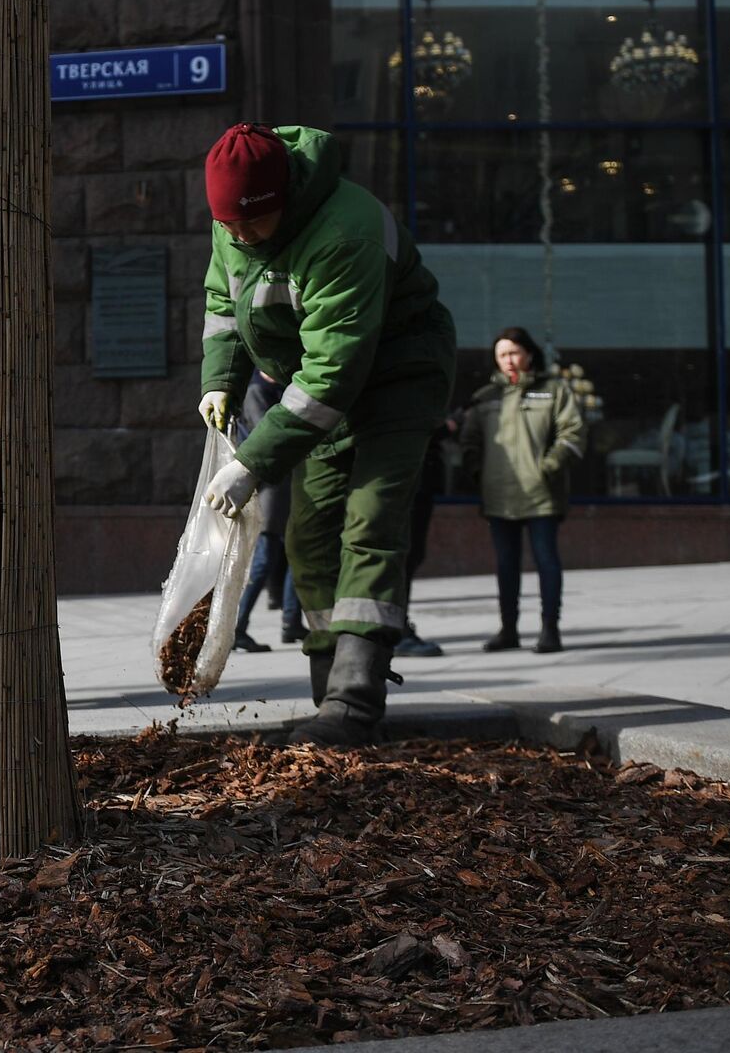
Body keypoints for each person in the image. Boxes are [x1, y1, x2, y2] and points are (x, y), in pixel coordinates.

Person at [194, 123, 456, 747]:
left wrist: (252, 463)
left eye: (249, 225)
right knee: (309, 539)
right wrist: (220, 379)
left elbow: (333, 375)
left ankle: (355, 702)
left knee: (370, 522)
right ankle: (327, 694)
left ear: (282, 199)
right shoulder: (234, 220)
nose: (237, 236)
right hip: (313, 389)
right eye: (226, 224)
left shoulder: (347, 231)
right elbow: (223, 306)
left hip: (396, 378)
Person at [459, 327, 586, 655]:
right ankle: (509, 630)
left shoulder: (554, 390)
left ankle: (549, 630)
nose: (509, 360)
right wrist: (477, 472)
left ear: (529, 353)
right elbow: (470, 442)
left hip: (541, 494)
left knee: (547, 561)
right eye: (502, 355)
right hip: (498, 495)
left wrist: (549, 468)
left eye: (514, 352)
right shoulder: (486, 397)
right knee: (505, 564)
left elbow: (572, 433)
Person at [230, 371, 303, 653]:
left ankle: (291, 621)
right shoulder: (256, 391)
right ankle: (237, 627)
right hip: (271, 489)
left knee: (296, 552)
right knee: (264, 558)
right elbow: (268, 437)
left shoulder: (281, 388)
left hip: (289, 485)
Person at [392, 424, 449, 658]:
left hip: (414, 476)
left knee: (410, 556)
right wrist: (449, 425)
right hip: (406, 476)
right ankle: (396, 630)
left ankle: (395, 626)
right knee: (403, 556)